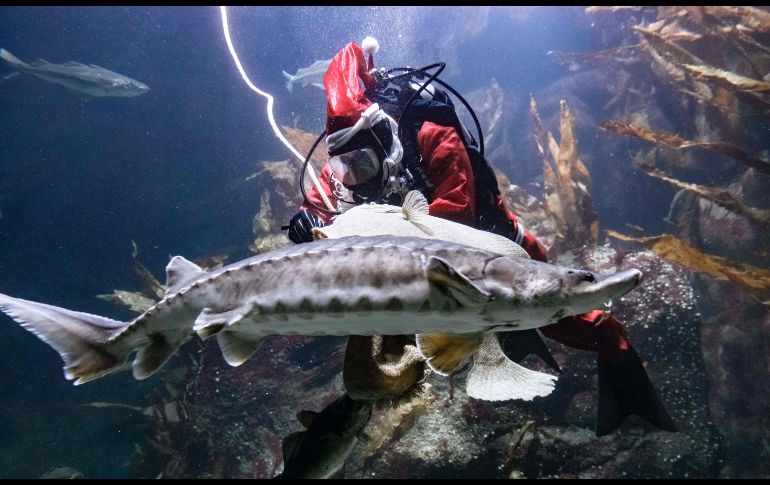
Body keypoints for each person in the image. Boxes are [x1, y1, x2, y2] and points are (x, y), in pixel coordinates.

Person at [287, 39, 676, 436]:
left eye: (364, 164)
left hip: (495, 244)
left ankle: (625, 373)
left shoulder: (434, 136)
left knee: (568, 317)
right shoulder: (350, 158)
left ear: (385, 140)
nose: (356, 178)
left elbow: (451, 223)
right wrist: (307, 219)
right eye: (345, 166)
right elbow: (325, 194)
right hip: (429, 272)